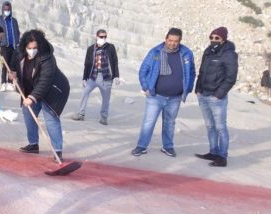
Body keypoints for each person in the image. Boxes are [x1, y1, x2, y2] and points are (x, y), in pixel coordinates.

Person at [132, 28, 195, 157]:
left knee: (170, 123)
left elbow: (192, 72)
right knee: (149, 122)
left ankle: (168, 147)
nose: (172, 43)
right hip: (156, 96)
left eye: (175, 41)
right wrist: (146, 87)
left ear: (180, 41)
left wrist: (188, 88)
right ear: (165, 39)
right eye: (170, 40)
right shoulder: (156, 52)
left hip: (175, 98)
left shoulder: (186, 53)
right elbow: (143, 70)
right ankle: (141, 146)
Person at [9, 30, 70, 161]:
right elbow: (16, 70)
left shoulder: (47, 58)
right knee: (28, 113)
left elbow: (45, 81)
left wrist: (32, 97)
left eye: (35, 48)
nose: (32, 50)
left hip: (53, 91)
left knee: (51, 119)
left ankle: (57, 151)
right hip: (33, 91)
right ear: (25, 47)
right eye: (29, 48)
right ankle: (33, 144)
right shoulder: (20, 55)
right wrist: (13, 76)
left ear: (40, 46)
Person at [194, 27, 238, 167]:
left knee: (220, 127)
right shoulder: (208, 51)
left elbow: (231, 77)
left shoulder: (229, 54)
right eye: (211, 37)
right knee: (209, 126)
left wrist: (219, 94)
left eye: (216, 38)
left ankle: (222, 157)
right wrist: (198, 89)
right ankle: (213, 152)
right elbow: (202, 72)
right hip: (203, 95)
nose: (213, 40)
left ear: (223, 39)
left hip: (216, 98)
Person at [72, 29, 119, 125]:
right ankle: (81, 114)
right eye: (101, 37)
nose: (103, 38)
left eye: (105, 37)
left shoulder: (110, 47)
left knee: (106, 99)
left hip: (106, 78)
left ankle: (104, 118)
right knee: (85, 93)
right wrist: (84, 78)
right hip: (93, 76)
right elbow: (87, 64)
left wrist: (116, 76)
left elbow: (115, 61)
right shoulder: (91, 49)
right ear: (97, 37)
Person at [0, 1, 20, 92]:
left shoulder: (14, 21)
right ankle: (3, 83)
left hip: (13, 47)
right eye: (5, 9)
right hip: (4, 46)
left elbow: (17, 32)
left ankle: (9, 83)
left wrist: (17, 42)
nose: (7, 11)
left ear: (11, 10)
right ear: (2, 9)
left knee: (12, 66)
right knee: (5, 65)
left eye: (8, 9)